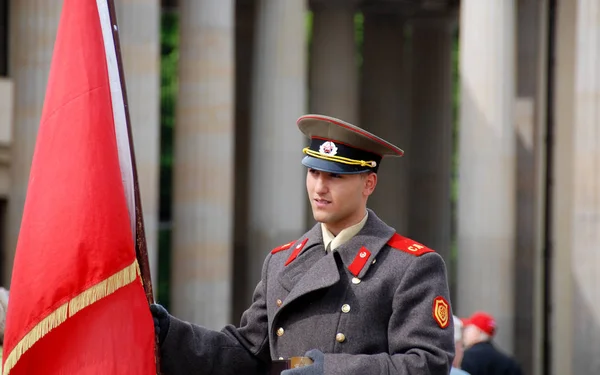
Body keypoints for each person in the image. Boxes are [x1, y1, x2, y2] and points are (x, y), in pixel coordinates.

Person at [150, 114, 455, 374]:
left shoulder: (410, 265)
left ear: (368, 183)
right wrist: (170, 334)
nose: (319, 188)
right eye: (313, 172)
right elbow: (246, 353)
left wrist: (331, 371)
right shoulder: (281, 262)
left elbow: (427, 363)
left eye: (335, 176)